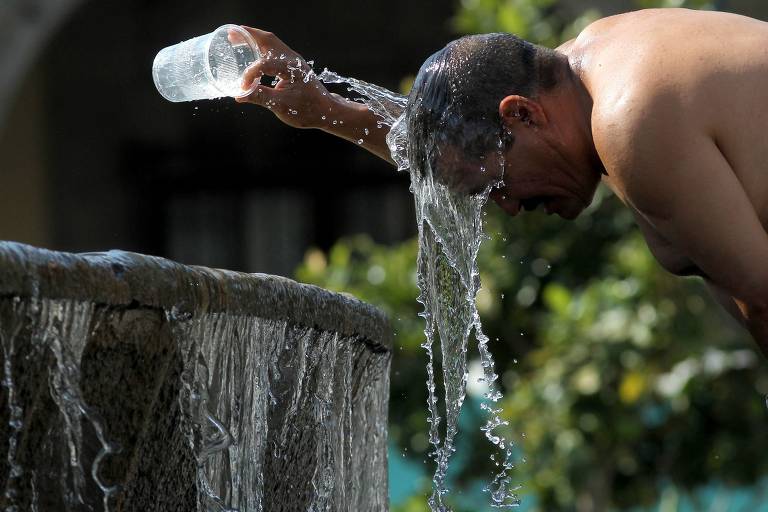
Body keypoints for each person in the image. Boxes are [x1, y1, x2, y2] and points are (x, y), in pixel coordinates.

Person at [235, 8, 768, 355]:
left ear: (524, 116)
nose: (508, 207)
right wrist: (326, 108)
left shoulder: (631, 123)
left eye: (495, 186)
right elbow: (461, 145)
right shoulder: (591, 66)